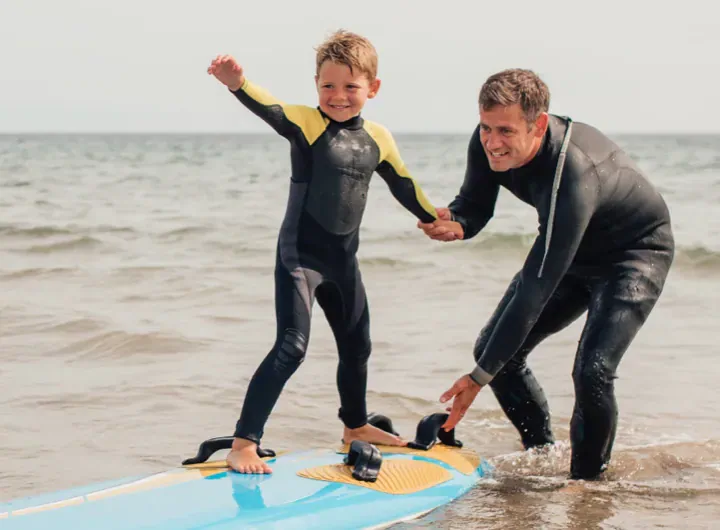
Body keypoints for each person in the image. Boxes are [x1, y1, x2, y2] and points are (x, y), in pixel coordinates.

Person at [207, 30, 459, 474]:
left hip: (343, 263)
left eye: (350, 87)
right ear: (316, 85)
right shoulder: (306, 123)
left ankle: (355, 427)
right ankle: (244, 442)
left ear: (372, 88)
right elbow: (271, 109)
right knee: (292, 347)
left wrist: (435, 218)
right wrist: (236, 84)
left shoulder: (378, 138)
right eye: (328, 86)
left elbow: (403, 183)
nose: (338, 96)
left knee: (357, 344)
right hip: (300, 259)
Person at [418, 68, 674, 480]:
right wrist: (460, 223)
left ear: (538, 125)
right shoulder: (487, 139)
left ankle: (587, 485)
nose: (492, 142)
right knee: (495, 349)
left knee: (592, 370)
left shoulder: (571, 172)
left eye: (504, 131)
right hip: (573, 248)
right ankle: (541, 453)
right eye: (485, 127)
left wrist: (477, 379)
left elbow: (535, 287)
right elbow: (475, 202)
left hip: (634, 254)